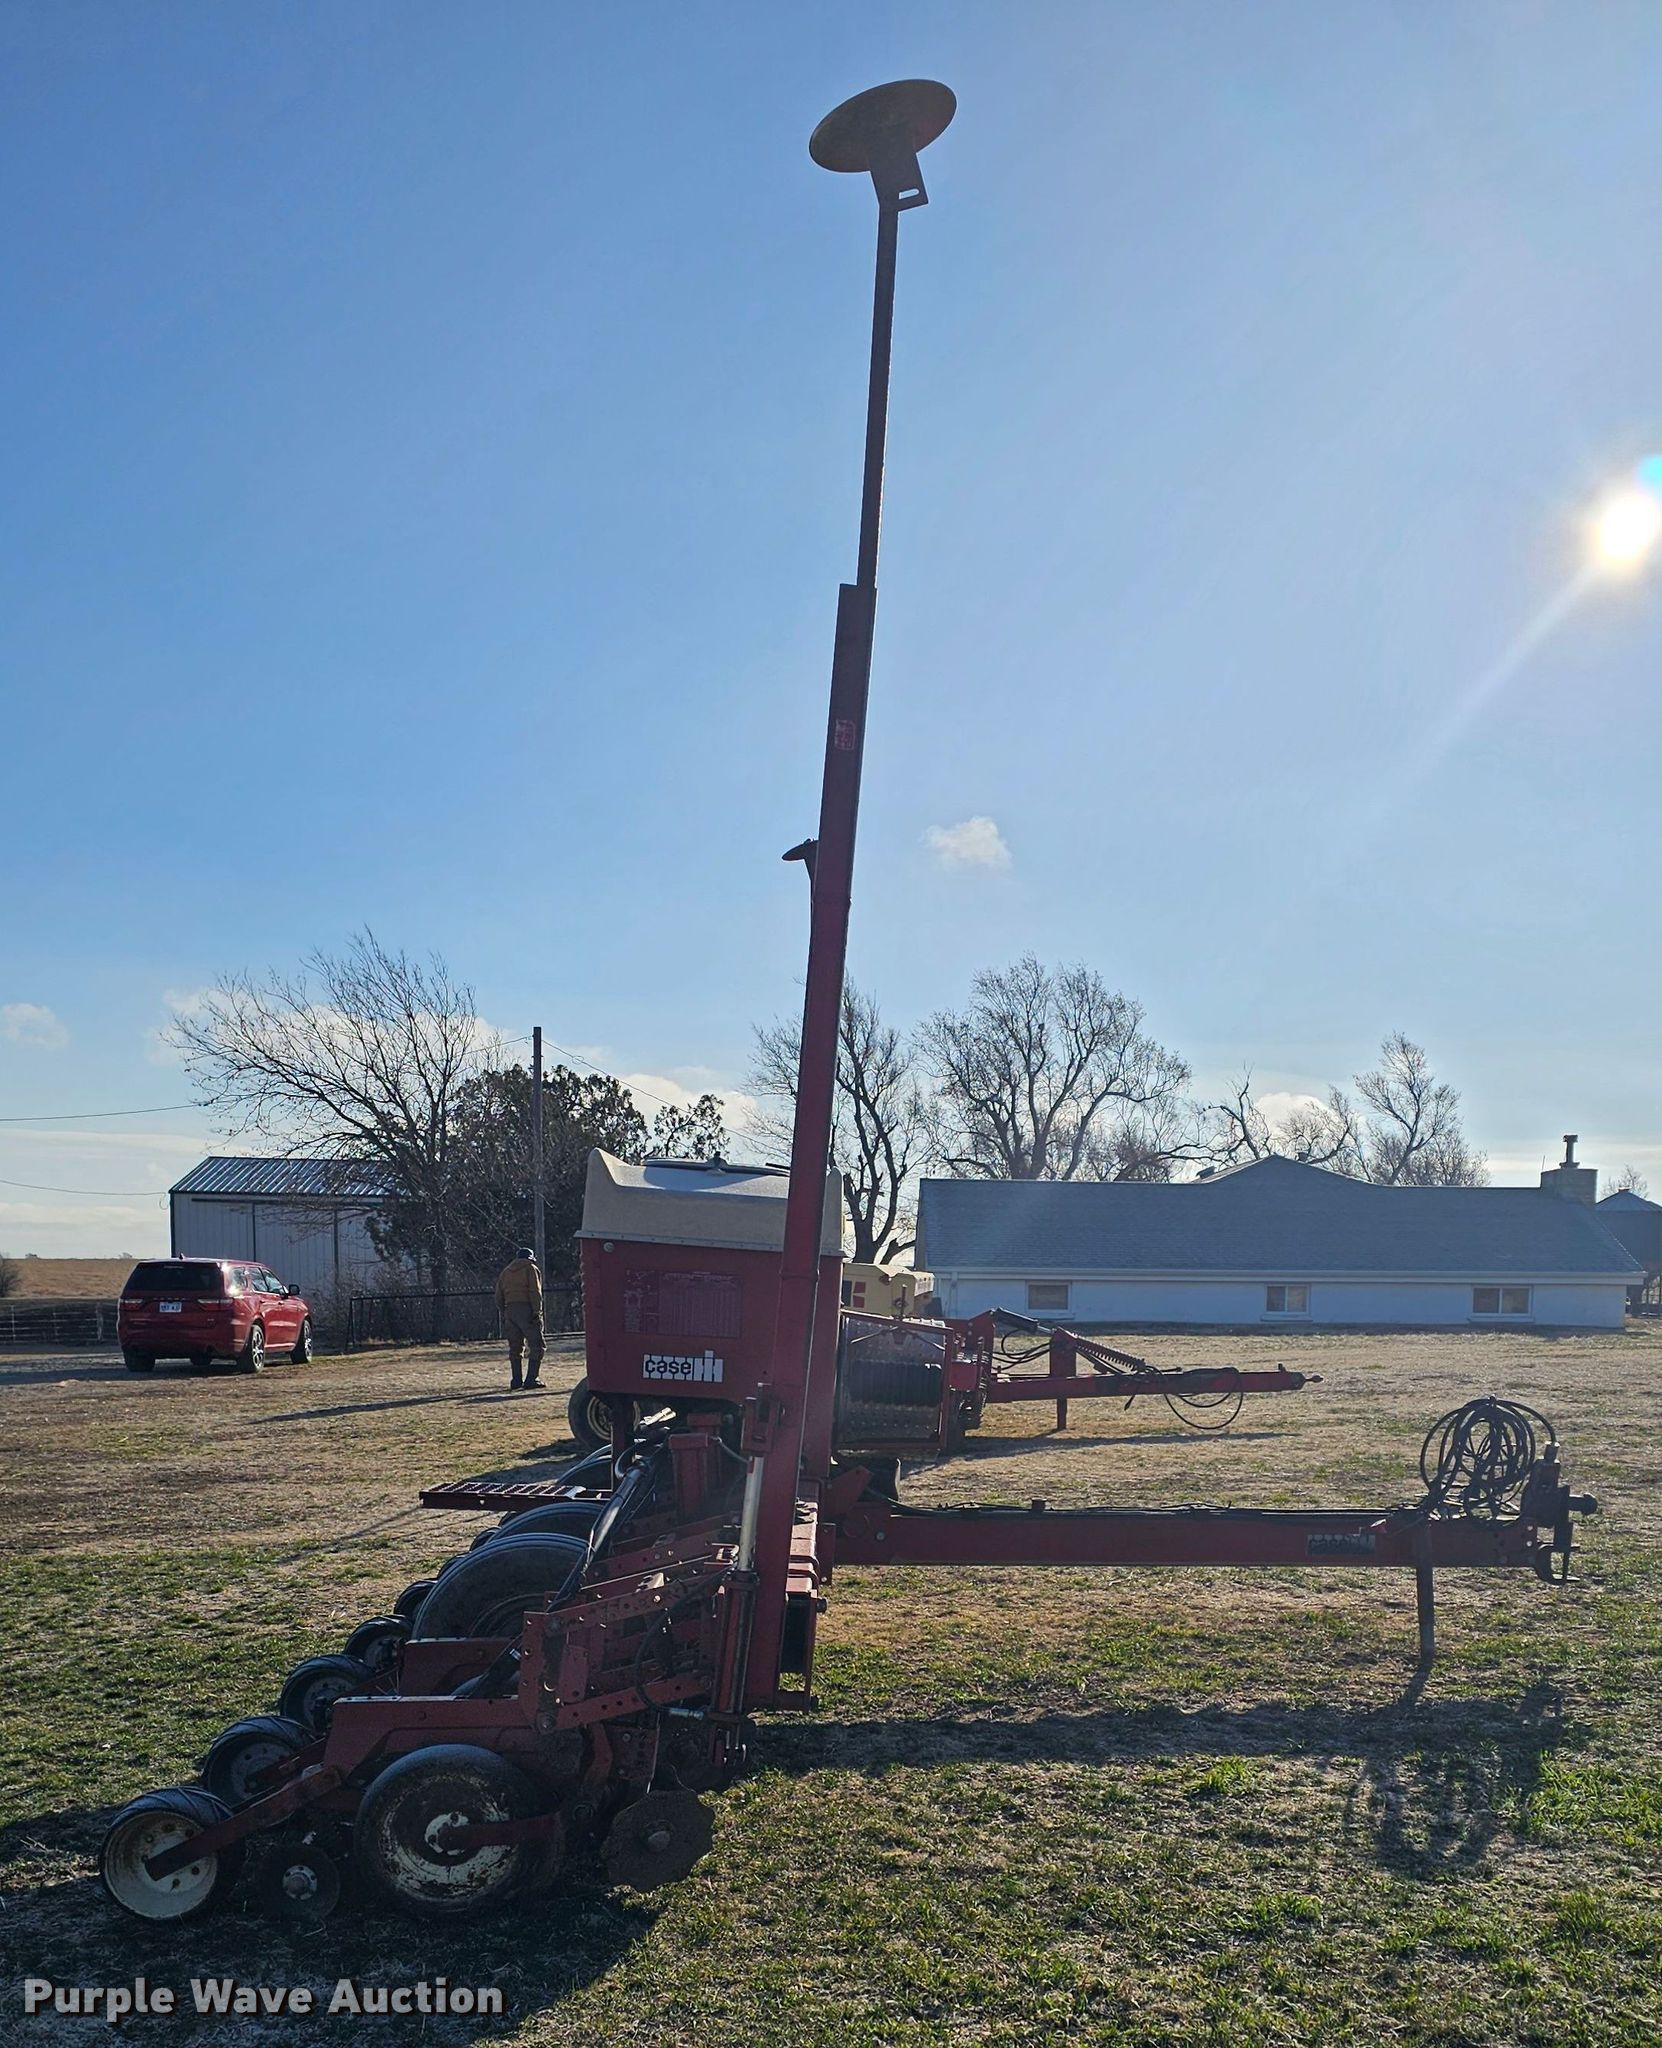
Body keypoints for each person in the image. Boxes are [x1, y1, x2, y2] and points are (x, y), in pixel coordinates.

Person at [494, 1246, 545, 1390]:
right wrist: (537, 1311)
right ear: (531, 1258)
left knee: (515, 1347)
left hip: (509, 1310)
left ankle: (516, 1380)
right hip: (527, 1308)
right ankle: (532, 1379)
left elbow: (498, 1295)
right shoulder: (531, 1268)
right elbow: (535, 1292)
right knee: (537, 1345)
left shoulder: (506, 1272)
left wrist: (505, 1311)